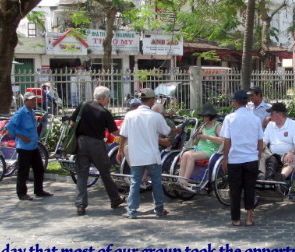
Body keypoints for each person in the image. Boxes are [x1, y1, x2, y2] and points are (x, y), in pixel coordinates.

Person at [70, 86, 127, 216]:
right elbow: (115, 132)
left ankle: (80, 205)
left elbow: (72, 123)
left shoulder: (83, 106)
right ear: (103, 98)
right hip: (97, 144)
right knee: (105, 172)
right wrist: (126, 132)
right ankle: (115, 198)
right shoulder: (104, 113)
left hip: (81, 142)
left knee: (82, 174)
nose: (108, 100)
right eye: (108, 98)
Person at [117, 88, 172, 219]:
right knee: (156, 183)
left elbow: (123, 136)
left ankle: (132, 211)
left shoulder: (130, 115)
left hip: (136, 155)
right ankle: (159, 209)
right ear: (152, 100)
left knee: (135, 182)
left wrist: (120, 150)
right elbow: (167, 131)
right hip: (152, 155)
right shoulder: (156, 116)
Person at [221, 90, 264, 226]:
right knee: (250, 188)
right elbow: (260, 141)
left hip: (235, 159)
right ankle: (249, 218)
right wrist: (258, 155)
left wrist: (225, 157)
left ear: (235, 102)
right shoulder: (255, 119)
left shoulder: (229, 118)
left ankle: (236, 219)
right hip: (251, 158)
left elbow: (227, 140)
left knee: (235, 190)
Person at [6, 92, 52, 201]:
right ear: (26, 101)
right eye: (31, 100)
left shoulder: (31, 112)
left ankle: (38, 190)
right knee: (23, 171)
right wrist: (21, 136)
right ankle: (21, 193)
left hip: (33, 146)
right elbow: (10, 126)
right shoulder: (21, 112)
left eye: (34, 100)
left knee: (39, 169)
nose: (33, 102)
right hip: (24, 147)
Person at [177, 103, 223, 191]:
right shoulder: (203, 126)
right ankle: (181, 178)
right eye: (203, 116)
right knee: (186, 154)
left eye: (205, 116)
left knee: (191, 156)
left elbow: (221, 140)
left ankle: (185, 179)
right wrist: (197, 137)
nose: (204, 118)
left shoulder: (217, 125)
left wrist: (207, 137)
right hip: (199, 149)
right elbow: (195, 142)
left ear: (211, 116)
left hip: (210, 150)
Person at [261, 103, 295, 181]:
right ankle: (262, 177)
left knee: (292, 158)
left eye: (272, 113)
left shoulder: (293, 125)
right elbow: (264, 141)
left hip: (288, 154)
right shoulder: (270, 124)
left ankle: (281, 178)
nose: (270, 116)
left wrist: (291, 152)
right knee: (260, 156)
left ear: (279, 114)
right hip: (272, 154)